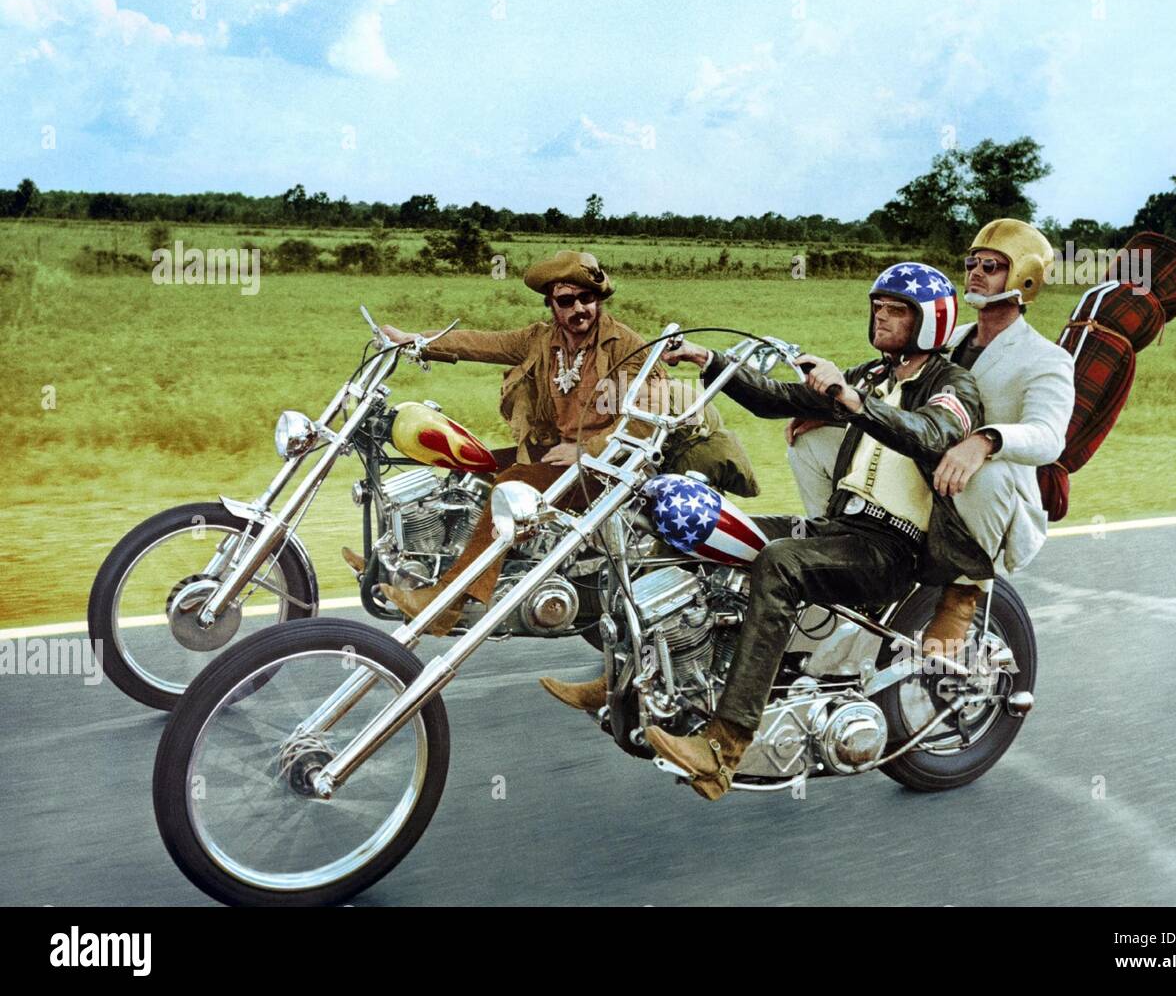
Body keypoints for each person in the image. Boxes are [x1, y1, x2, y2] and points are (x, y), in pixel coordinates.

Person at [541, 262, 992, 799]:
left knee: (780, 562)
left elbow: (932, 434)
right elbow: (773, 398)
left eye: (896, 311)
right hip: (842, 525)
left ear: (930, 323)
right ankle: (635, 681)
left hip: (895, 549)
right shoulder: (874, 376)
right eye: (878, 307)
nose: (881, 317)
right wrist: (712, 362)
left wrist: (849, 400)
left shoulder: (950, 385)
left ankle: (723, 749)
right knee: (698, 530)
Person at [353, 249, 757, 632]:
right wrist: (415, 340)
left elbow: (643, 424)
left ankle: (449, 603)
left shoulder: (627, 349)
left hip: (613, 467)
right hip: (558, 454)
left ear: (598, 300)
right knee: (462, 466)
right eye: (566, 301)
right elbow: (481, 343)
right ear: (551, 304)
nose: (578, 309)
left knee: (510, 485)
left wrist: (587, 450)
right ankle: (406, 564)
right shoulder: (541, 340)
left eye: (586, 299)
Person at [785, 220, 1075, 656]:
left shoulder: (1046, 358)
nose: (975, 272)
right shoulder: (947, 338)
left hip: (984, 493)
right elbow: (895, 392)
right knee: (807, 442)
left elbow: (1050, 437)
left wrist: (985, 441)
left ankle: (963, 595)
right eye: (971, 262)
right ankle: (839, 541)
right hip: (921, 473)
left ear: (1024, 277)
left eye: (992, 266)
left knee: (986, 475)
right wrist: (830, 412)